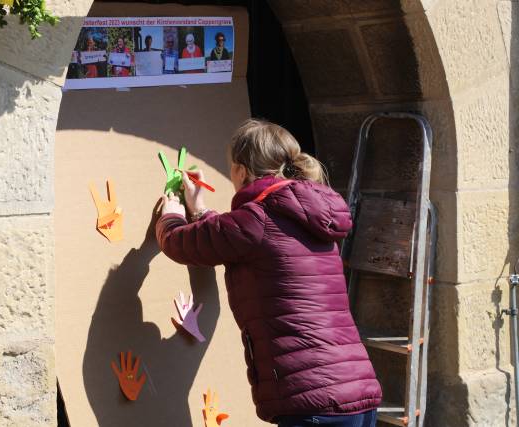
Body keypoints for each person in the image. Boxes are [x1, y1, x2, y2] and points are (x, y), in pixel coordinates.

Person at [156, 119, 382, 427]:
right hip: (356, 392)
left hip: (313, 400)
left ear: (241, 171)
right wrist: (200, 209)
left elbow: (182, 244)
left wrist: (170, 218)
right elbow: (237, 238)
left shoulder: (257, 218)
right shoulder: (307, 212)